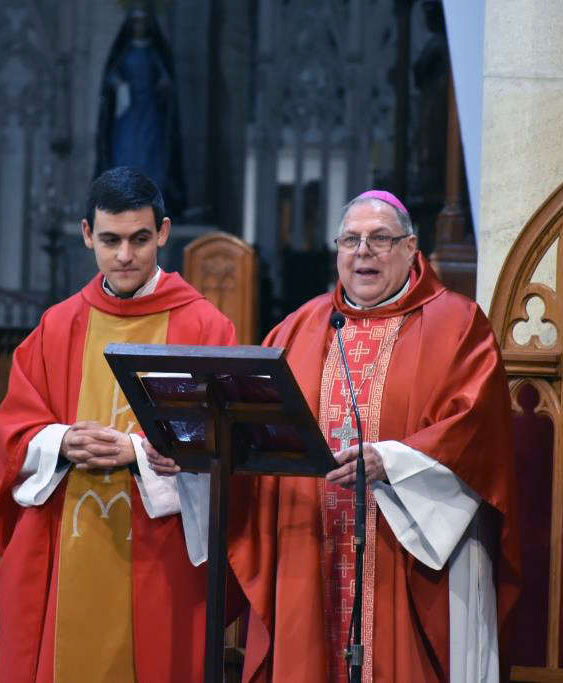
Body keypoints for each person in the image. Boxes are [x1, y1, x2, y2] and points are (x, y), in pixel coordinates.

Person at [222, 191, 519, 681]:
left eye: (380, 239)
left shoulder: (457, 324)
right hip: (308, 542)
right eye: (351, 240)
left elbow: (475, 430)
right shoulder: (297, 328)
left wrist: (394, 461)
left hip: (408, 548)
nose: (364, 251)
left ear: (411, 248)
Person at [0, 167, 236, 682]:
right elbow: (16, 429)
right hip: (70, 533)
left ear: (162, 233)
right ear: (86, 235)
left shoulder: (205, 326)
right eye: (111, 240)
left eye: (140, 239)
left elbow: (227, 435)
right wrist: (62, 439)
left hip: (162, 551)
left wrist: (138, 452)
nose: (125, 255)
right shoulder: (59, 324)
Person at [94, 8, 186, 217]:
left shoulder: (154, 52)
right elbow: (111, 77)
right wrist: (118, 84)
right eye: (136, 23)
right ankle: (122, 194)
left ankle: (148, 197)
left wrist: (163, 85)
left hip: (149, 111)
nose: (140, 28)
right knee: (125, 150)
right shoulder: (124, 53)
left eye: (143, 23)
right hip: (127, 115)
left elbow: (166, 80)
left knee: (150, 152)